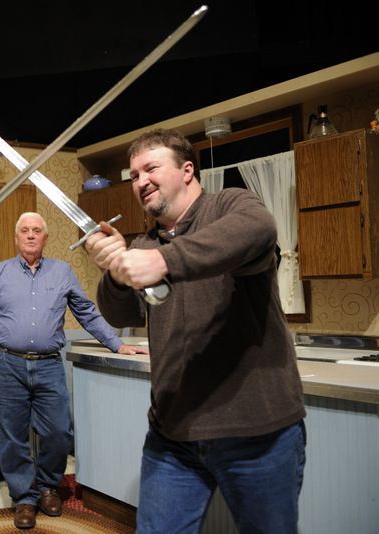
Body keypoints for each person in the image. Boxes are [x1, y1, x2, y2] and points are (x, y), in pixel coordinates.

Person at [85, 128, 306, 534]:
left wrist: (164, 261)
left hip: (258, 432)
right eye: (133, 175)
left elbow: (259, 230)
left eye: (151, 168)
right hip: (173, 434)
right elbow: (119, 314)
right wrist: (116, 272)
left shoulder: (230, 205)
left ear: (187, 170)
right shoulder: (144, 243)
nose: (140, 181)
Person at [0, 211, 146, 529]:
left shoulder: (62, 272)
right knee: (12, 438)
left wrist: (117, 345)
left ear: (46, 238)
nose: (31, 235)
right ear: (16, 236)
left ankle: (49, 487)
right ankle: (24, 497)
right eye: (25, 230)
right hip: (5, 364)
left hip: (49, 365)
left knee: (58, 432)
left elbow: (87, 313)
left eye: (37, 230)